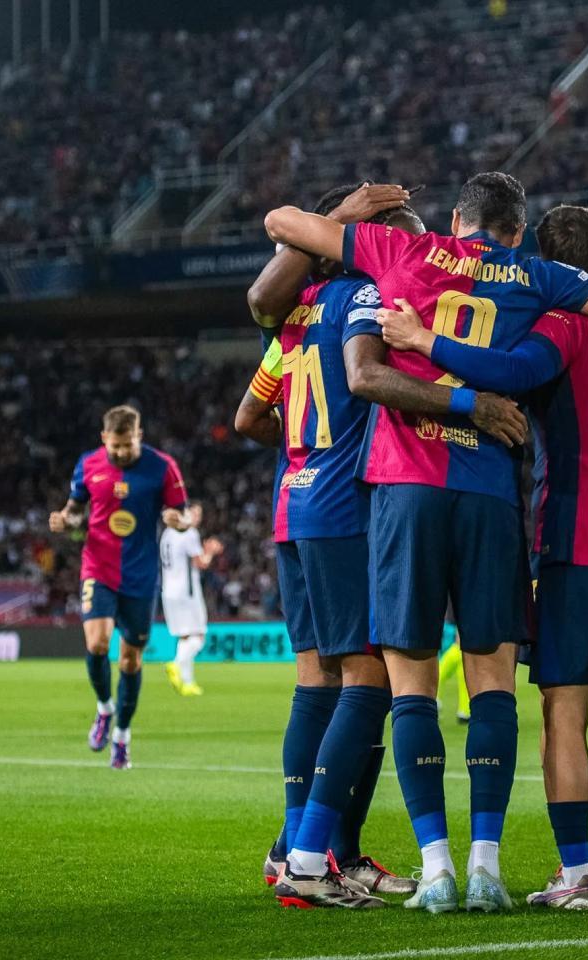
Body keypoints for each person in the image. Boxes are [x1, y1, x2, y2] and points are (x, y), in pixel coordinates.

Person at [264, 172, 588, 914]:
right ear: (517, 231)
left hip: (405, 487)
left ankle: (438, 868)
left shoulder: (399, 249)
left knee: (409, 685)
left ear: (457, 220)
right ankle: (488, 865)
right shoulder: (537, 277)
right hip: (492, 493)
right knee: (491, 683)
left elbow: (282, 220)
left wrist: (348, 211)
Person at [375, 203, 588, 908]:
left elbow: (511, 373)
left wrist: (425, 338)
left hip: (578, 541)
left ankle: (577, 874)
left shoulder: (564, 322)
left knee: (564, 713)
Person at [238, 183, 425, 908]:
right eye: (404, 236)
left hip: (295, 502)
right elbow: (374, 381)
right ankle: (313, 857)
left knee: (318, 680)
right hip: (345, 508)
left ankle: (309, 851)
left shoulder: (292, 316)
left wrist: (299, 453)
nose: (415, 251)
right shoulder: (368, 302)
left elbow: (249, 414)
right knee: (369, 680)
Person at [49, 405, 189, 770]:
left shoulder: (162, 467)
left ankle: (122, 736)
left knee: (130, 659)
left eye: (128, 444)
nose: (122, 452)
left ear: (138, 435)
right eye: (116, 446)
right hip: (98, 567)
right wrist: (66, 520)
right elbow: (76, 509)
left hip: (141, 576)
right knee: (96, 642)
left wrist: (179, 521)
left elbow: (183, 512)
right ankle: (104, 709)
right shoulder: (88, 464)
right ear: (104, 439)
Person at [159, 504, 221, 697]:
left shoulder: (167, 533)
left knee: (185, 636)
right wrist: (210, 551)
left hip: (168, 590)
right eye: (194, 513)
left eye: (199, 514)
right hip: (187, 592)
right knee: (199, 636)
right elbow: (200, 562)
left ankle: (187, 682)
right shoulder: (189, 532)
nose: (197, 518)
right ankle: (176, 664)